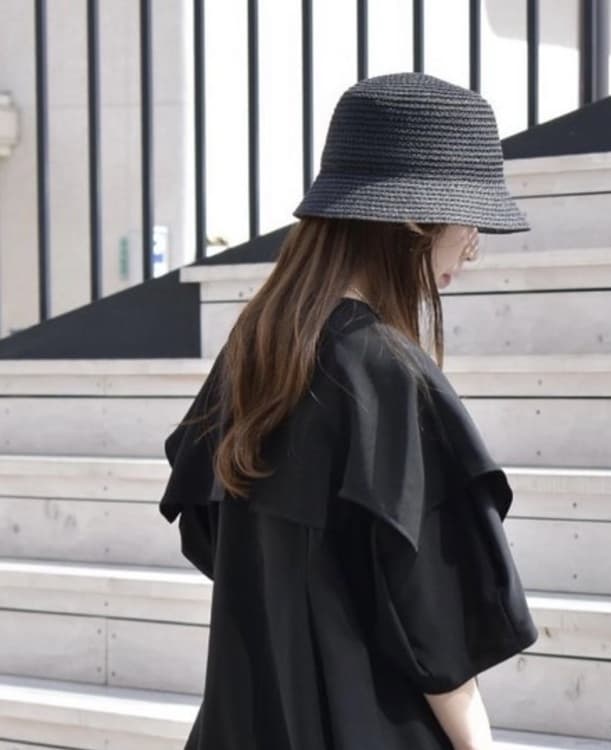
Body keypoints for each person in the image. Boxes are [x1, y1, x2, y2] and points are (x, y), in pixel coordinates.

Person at [159, 71, 538, 750]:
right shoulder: (388, 375)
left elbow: (218, 540)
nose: (472, 246)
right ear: (419, 221)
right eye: (470, 222)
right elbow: (433, 623)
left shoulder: (256, 348)